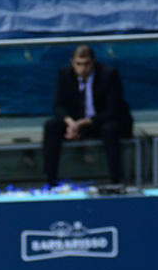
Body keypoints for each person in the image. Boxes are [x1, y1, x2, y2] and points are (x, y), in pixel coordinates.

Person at [42, 44, 134, 187]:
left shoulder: (109, 75)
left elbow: (113, 110)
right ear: (72, 62)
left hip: (100, 121)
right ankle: (50, 179)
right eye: (78, 64)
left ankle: (116, 180)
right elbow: (58, 106)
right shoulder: (65, 74)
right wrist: (71, 123)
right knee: (51, 126)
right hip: (76, 122)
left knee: (110, 129)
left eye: (86, 64)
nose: (82, 69)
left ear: (93, 62)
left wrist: (83, 123)